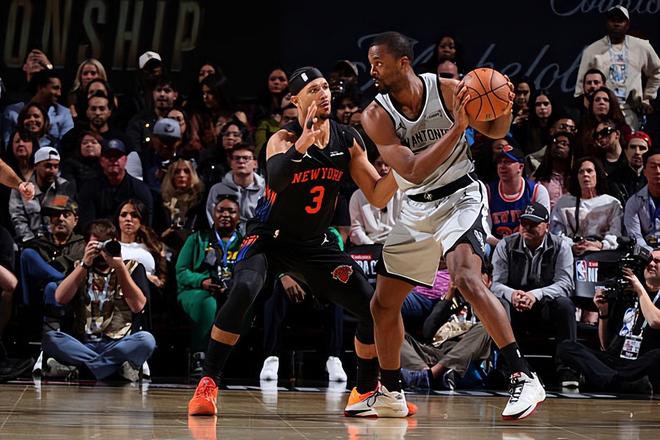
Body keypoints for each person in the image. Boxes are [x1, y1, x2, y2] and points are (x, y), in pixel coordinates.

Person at [187, 66, 400, 418]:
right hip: (268, 239)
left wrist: (403, 170)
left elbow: (377, 195)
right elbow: (277, 178)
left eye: (325, 87)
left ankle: (364, 391)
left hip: (314, 243)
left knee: (371, 308)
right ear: (295, 100)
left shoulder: (347, 139)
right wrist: (303, 142)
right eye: (314, 89)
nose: (324, 93)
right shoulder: (282, 139)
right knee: (244, 290)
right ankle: (208, 384)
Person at [361, 31, 545, 420]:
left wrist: (504, 105)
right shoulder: (375, 115)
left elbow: (495, 130)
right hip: (416, 207)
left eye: (378, 62)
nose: (372, 70)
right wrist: (458, 129)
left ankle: (523, 376)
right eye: (371, 63)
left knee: (465, 277)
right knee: (382, 304)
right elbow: (411, 169)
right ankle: (391, 392)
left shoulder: (447, 90)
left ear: (403, 63)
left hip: (461, 195)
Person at [41, 219, 156, 382]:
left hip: (119, 343)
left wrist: (119, 267)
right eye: (96, 246)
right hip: (83, 343)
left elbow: (138, 306)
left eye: (106, 245)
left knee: (146, 340)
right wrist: (84, 264)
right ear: (86, 245)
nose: (102, 252)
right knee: (50, 338)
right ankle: (113, 369)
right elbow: (60, 298)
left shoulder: (132, 268)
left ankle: (83, 370)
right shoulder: (79, 267)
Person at [491, 202, 578, 387]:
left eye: (533, 224)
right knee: (500, 304)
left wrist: (536, 295)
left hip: (545, 305)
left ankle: (567, 368)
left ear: (547, 226)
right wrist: (513, 294)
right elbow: (496, 284)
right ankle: (509, 368)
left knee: (565, 305)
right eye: (524, 223)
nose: (527, 228)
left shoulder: (561, 246)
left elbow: (565, 284)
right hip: (516, 306)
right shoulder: (505, 245)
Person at [557, 248, 660, 394]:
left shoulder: (638, 290)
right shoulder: (625, 293)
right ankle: (617, 381)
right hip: (616, 361)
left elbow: (655, 321)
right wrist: (603, 312)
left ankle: (609, 380)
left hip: (640, 363)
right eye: (649, 261)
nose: (651, 264)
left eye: (657, 261)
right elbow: (605, 346)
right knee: (566, 347)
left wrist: (639, 289)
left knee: (658, 355)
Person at [177, 195, 243, 377]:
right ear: (213, 214)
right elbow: (181, 271)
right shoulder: (197, 238)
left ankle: (230, 359)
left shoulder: (244, 243)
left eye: (231, 211)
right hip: (196, 291)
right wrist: (201, 281)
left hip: (230, 290)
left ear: (239, 217)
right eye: (221, 210)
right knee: (208, 303)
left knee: (239, 303)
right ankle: (199, 355)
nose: (225, 215)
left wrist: (232, 285)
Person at [574, 6, 660, 129]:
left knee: (630, 140)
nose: (616, 23)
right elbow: (581, 89)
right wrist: (592, 115)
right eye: (612, 20)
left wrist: (648, 97)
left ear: (627, 24)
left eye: (620, 20)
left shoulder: (642, 47)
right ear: (606, 23)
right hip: (603, 113)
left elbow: (657, 71)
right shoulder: (592, 50)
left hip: (631, 111)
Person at [550, 157, 623, 255]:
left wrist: (601, 245)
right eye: (581, 172)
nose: (585, 175)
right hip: (570, 253)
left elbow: (616, 233)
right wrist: (572, 245)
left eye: (589, 171)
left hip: (604, 254)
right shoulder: (563, 203)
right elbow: (555, 233)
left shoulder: (612, 203)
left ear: (597, 174)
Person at [77, 139, 154, 228]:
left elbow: (145, 224)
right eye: (108, 156)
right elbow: (87, 223)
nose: (113, 159)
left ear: (125, 160)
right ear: (101, 161)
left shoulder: (140, 189)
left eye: (117, 156)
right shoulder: (89, 188)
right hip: (99, 234)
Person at [9, 146, 76, 243]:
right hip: (29, 241)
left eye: (56, 166)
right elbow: (18, 218)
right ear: (35, 166)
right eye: (48, 166)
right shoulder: (21, 188)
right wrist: (30, 240)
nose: (53, 170)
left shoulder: (63, 186)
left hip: (57, 240)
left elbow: (63, 216)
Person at [624, 148, 660, 250]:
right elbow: (635, 236)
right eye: (653, 167)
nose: (658, 171)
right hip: (647, 252)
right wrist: (650, 253)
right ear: (644, 172)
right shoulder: (634, 202)